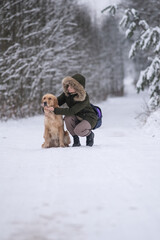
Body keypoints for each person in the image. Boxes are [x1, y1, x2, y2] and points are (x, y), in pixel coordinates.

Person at [44, 73, 98, 147]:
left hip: (89, 118)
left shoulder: (84, 97)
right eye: (68, 85)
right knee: (67, 118)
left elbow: (72, 111)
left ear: (78, 88)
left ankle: (90, 135)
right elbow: (56, 102)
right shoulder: (67, 94)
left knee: (78, 130)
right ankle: (76, 140)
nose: (68, 88)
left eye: (71, 86)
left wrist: (55, 110)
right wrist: (46, 106)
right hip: (76, 116)